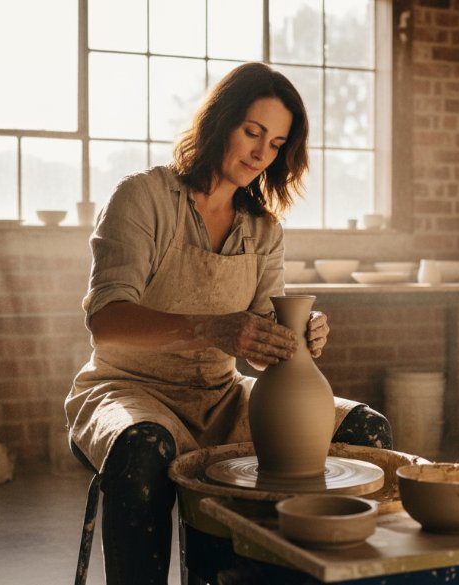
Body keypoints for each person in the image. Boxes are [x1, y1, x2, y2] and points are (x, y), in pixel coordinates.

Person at [65, 62, 392, 585]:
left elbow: (261, 346)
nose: (262, 153)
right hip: (127, 389)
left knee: (365, 430)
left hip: (220, 396)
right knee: (143, 448)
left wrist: (296, 338)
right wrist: (209, 329)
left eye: (278, 143)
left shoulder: (263, 230)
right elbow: (106, 321)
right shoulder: (142, 198)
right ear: (219, 122)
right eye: (253, 132)